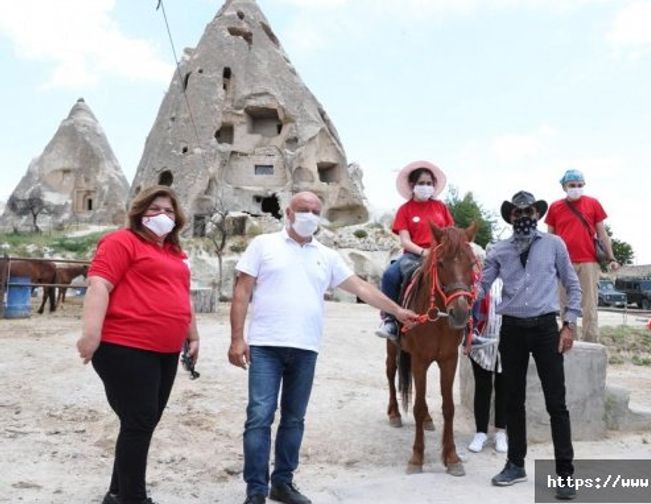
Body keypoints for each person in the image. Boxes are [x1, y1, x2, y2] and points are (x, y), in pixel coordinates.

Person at [229, 192, 419, 504]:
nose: (309, 215)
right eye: (303, 209)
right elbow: (242, 291)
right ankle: (256, 490)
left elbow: (360, 287)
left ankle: (283, 483)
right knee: (260, 416)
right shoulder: (263, 244)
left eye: (315, 211)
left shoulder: (326, 255)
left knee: (294, 419)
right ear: (289, 212)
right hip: (266, 345)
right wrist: (237, 338)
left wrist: (397, 311)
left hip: (306, 347)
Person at [76, 185, 200, 504]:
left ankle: (117, 493)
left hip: (166, 351)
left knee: (142, 422)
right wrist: (90, 334)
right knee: (140, 420)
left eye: (169, 211)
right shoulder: (122, 242)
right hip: (125, 345)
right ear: (139, 213)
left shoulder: (175, 254)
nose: (162, 215)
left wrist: (193, 334)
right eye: (155, 209)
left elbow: (182, 296)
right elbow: (99, 285)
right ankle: (133, 498)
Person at [480, 190, 582, 501]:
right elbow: (482, 284)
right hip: (511, 328)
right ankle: (515, 464)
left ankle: (565, 473)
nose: (523, 217)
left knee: (557, 403)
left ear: (537, 215)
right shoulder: (498, 249)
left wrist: (569, 324)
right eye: (517, 213)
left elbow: (572, 283)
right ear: (510, 217)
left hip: (545, 328)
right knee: (513, 400)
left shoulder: (554, 244)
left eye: (528, 212)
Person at [375, 160, 454, 340]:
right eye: (421, 183)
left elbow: (450, 232)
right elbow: (405, 241)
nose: (425, 187)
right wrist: (423, 252)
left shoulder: (441, 207)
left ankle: (470, 327)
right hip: (414, 255)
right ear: (412, 185)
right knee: (389, 275)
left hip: (441, 255)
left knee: (463, 277)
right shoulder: (405, 210)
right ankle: (389, 320)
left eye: (429, 183)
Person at [545, 168, 619, 343]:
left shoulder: (593, 203)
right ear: (564, 187)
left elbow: (602, 234)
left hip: (589, 261)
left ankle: (590, 342)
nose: (576, 188)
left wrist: (612, 258)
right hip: (563, 263)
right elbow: (550, 237)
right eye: (572, 185)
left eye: (579, 185)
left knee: (589, 306)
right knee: (565, 306)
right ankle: (569, 340)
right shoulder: (555, 207)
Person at [467, 278, 507, 454]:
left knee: (504, 388)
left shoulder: (513, 278)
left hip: (507, 343)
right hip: (481, 344)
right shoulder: (479, 282)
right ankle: (481, 432)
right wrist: (468, 335)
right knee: (482, 388)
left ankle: (501, 432)